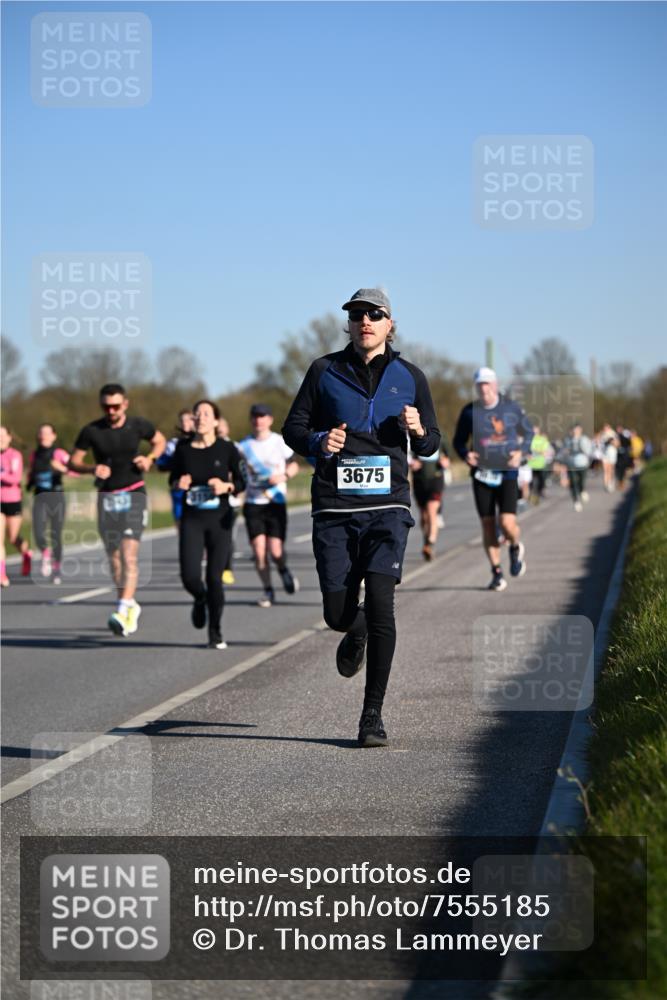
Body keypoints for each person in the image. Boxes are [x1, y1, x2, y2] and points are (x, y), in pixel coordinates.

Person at [283, 287, 441, 747]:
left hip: (388, 507)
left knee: (382, 606)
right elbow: (293, 427)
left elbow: (431, 441)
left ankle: (371, 716)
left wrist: (418, 431)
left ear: (390, 324)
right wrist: (317, 442)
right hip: (334, 506)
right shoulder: (323, 370)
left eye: (374, 314)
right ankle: (352, 632)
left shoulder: (411, 376)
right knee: (337, 612)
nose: (364, 321)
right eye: (356, 315)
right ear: (348, 324)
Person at [69, 383, 166, 636]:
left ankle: (122, 608)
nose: (111, 410)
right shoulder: (91, 430)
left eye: (115, 405)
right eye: (106, 406)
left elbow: (160, 441)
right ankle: (130, 604)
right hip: (107, 497)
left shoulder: (138, 425)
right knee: (114, 558)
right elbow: (74, 461)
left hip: (133, 493)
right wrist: (92, 469)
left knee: (129, 553)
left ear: (125, 404)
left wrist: (150, 458)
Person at [171, 400, 246, 649]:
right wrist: (179, 483)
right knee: (190, 577)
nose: (200, 417)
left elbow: (243, 481)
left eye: (206, 414)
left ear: (215, 420)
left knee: (215, 578)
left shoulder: (227, 449)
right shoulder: (182, 450)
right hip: (192, 519)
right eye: (197, 414)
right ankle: (199, 597)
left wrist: (227, 486)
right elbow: (173, 479)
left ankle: (215, 632)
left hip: (220, 520)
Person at [453, 367, 533, 592]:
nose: (483, 388)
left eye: (487, 384)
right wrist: (465, 454)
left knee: (506, 523)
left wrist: (520, 453)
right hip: (481, 474)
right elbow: (458, 441)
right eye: (479, 384)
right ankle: (497, 572)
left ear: (495, 385)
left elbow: (528, 433)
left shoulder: (510, 407)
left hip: (507, 471)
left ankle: (515, 546)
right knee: (488, 525)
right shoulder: (469, 412)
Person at [237, 403, 300, 607]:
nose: (258, 420)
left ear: (270, 419)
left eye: (263, 416)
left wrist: (283, 475)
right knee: (258, 551)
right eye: (255, 416)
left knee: (275, 551)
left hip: (275, 502)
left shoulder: (279, 442)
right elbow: (236, 471)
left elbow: (295, 464)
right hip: (254, 503)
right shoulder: (243, 446)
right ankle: (268, 590)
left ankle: (283, 569)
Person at [26, 423, 74, 583]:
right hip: (40, 497)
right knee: (38, 533)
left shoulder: (59, 453)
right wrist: (30, 481)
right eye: (41, 433)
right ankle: (45, 554)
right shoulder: (34, 454)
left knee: (55, 534)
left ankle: (57, 569)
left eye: (47, 433)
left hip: (56, 498)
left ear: (54, 436)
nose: (43, 436)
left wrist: (61, 468)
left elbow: (74, 470)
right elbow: (32, 473)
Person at [0, 426, 32, 586]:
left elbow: (15, 478)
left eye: (2, 436)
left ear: (9, 437)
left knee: (13, 538)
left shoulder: (15, 455)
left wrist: (1, 474)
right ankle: (2, 574)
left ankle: (26, 554)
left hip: (12, 499)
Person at [410, 439, 450, 561]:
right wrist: (412, 463)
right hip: (420, 480)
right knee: (424, 516)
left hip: (436, 479)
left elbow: (447, 457)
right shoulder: (412, 436)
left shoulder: (440, 437)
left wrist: (445, 462)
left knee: (432, 510)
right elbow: (406, 456)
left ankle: (430, 544)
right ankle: (426, 540)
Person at [156, 409, 195, 529]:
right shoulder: (173, 444)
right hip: (179, 489)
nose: (185, 423)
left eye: (188, 419)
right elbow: (161, 465)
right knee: (181, 525)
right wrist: (175, 461)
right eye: (182, 420)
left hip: (196, 488)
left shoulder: (201, 441)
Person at [217, 416, 242, 585]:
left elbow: (242, 474)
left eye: (222, 426)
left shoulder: (234, 447)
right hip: (211, 500)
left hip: (231, 500)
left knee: (227, 536)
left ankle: (227, 568)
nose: (219, 429)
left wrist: (237, 491)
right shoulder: (206, 446)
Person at [559, 424, 592, 511]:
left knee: (581, 481)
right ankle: (576, 501)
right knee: (573, 483)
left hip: (582, 464)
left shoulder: (584, 439)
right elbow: (563, 452)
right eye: (574, 430)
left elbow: (589, 451)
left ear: (580, 430)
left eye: (577, 430)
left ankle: (582, 490)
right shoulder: (568, 440)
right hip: (571, 464)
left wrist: (582, 448)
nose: (575, 432)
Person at [528, 423, 552, 503]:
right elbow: (528, 450)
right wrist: (538, 451)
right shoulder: (528, 439)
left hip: (540, 464)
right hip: (530, 464)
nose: (534, 431)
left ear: (538, 430)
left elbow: (545, 451)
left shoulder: (542, 439)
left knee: (541, 481)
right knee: (530, 482)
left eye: (536, 430)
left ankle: (539, 493)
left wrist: (536, 451)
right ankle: (531, 496)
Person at [598, 423, 618, 493]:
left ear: (609, 428)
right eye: (604, 428)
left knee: (611, 469)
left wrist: (611, 442)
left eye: (606, 428)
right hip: (604, 454)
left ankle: (611, 482)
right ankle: (606, 485)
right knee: (606, 470)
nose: (605, 429)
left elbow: (617, 444)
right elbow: (599, 444)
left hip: (612, 453)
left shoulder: (613, 433)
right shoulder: (602, 434)